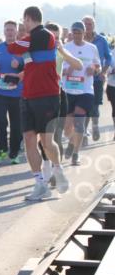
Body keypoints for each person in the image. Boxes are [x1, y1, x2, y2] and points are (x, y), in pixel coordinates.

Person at [8, 7, 71, 201]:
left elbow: (13, 48)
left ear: (29, 19)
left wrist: (16, 38)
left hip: (48, 95)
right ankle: (39, 183)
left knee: (46, 140)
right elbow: (26, 63)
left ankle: (58, 170)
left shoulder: (44, 35)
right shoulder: (30, 42)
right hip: (28, 95)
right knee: (28, 138)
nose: (23, 24)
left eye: (24, 20)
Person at [61, 21, 102, 166]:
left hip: (85, 90)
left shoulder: (92, 48)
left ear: (84, 33)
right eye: (75, 32)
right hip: (69, 90)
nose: (77, 35)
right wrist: (67, 70)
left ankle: (76, 154)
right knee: (67, 128)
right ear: (72, 33)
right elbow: (58, 68)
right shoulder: (65, 48)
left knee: (79, 121)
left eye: (80, 32)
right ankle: (71, 142)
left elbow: (98, 65)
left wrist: (94, 68)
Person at [0, 21, 26, 165]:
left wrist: (20, 65)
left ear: (16, 31)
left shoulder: (23, 49)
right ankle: (2, 150)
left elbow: (30, 68)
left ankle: (14, 153)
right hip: (0, 91)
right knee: (0, 122)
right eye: (7, 30)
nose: (10, 32)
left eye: (12, 30)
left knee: (16, 125)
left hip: (17, 93)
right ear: (4, 32)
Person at [84, 16, 113, 141]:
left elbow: (108, 57)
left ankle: (94, 126)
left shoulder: (101, 40)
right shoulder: (78, 40)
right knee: (83, 106)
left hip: (96, 79)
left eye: (89, 24)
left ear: (94, 25)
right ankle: (84, 131)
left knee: (95, 105)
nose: (87, 26)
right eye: (85, 24)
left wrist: (104, 72)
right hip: (81, 80)